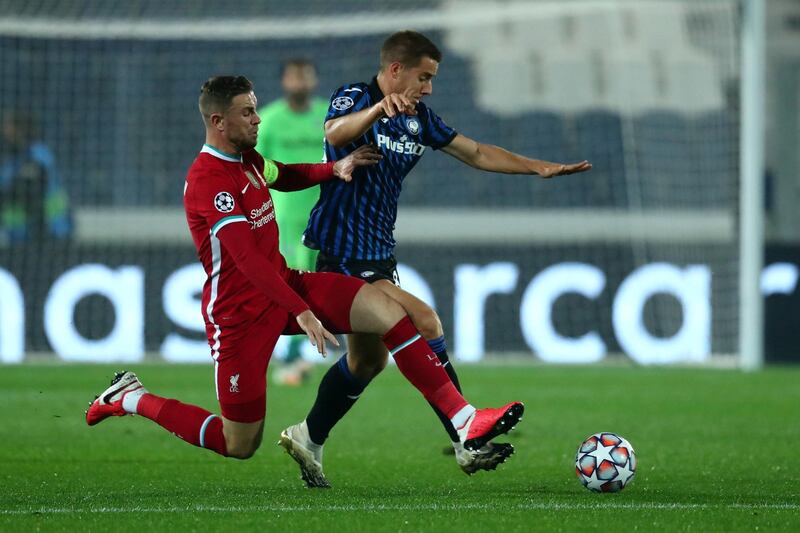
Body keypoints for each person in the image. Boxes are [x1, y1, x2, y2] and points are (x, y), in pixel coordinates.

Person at [85, 76, 524, 488]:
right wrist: (300, 310)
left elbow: (285, 174)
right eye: (247, 113)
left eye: (256, 110)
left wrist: (333, 169)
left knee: (390, 311)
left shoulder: (249, 161)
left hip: (286, 283)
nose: (258, 119)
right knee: (239, 443)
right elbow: (244, 260)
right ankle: (131, 397)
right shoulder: (209, 181)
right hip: (240, 315)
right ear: (218, 121)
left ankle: (463, 421)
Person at [285, 30, 592, 477]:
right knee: (424, 320)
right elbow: (335, 131)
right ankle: (465, 435)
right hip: (341, 252)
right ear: (395, 70)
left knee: (368, 361)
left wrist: (537, 167)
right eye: (423, 77)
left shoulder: (419, 118)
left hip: (378, 251)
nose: (428, 87)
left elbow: (477, 152)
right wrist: (376, 109)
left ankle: (307, 436)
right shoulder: (355, 96)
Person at [255, 58, 329, 386]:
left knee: (321, 280)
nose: (300, 82)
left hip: (327, 214)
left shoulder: (329, 116)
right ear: (285, 80)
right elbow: (254, 171)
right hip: (285, 217)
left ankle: (297, 352)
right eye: (294, 76)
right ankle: (290, 352)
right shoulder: (268, 121)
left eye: (305, 75)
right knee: (298, 278)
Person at [0, 110, 71, 244]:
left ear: (20, 127)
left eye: (8, 125)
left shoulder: (38, 155)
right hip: (16, 237)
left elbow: (30, 190)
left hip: (48, 234)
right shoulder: (10, 159)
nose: (4, 129)